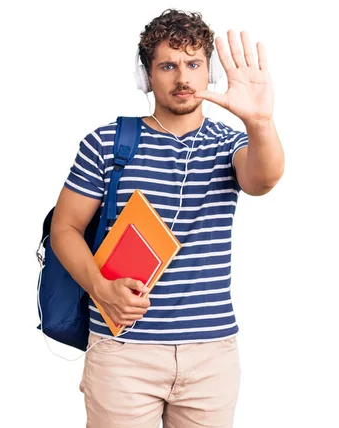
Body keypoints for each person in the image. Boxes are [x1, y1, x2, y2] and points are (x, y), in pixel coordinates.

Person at [50, 8, 284, 428]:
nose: (183, 77)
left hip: (210, 354)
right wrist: (100, 287)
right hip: (124, 354)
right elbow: (63, 228)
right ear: (146, 76)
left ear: (209, 72)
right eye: (168, 65)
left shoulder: (229, 143)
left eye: (194, 64)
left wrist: (260, 122)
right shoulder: (106, 143)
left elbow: (263, 179)